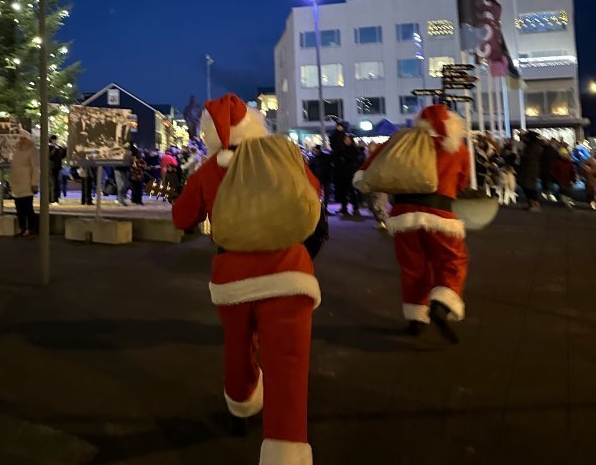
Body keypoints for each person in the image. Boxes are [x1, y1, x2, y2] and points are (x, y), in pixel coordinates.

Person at [172, 94, 321, 464]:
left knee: (237, 345)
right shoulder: (283, 154)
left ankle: (241, 401)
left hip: (233, 276)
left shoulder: (208, 171)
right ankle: (285, 449)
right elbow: (314, 191)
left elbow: (181, 217)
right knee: (288, 360)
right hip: (289, 270)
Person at [358, 104, 470, 343]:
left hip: (403, 214)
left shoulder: (404, 143)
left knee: (413, 267)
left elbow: (372, 163)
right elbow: (462, 182)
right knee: (452, 260)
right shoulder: (457, 148)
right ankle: (441, 304)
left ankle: (416, 319)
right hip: (440, 215)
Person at [9, 130, 40, 237]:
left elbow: (36, 167)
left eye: (24, 138)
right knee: (19, 208)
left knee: (28, 208)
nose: (22, 141)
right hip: (16, 182)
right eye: (21, 138)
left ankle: (32, 229)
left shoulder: (32, 150)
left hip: (26, 183)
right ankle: (22, 228)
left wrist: (34, 183)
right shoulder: (16, 150)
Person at [332, 133, 362, 218]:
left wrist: (344, 157)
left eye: (348, 139)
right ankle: (344, 207)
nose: (346, 141)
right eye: (345, 139)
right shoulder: (341, 148)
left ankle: (355, 208)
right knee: (343, 191)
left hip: (350, 173)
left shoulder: (354, 149)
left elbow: (352, 159)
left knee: (352, 191)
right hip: (342, 173)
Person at [518, 131, 544, 212]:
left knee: (530, 187)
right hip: (529, 169)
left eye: (526, 137)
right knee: (527, 187)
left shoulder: (534, 146)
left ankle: (535, 205)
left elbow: (529, 157)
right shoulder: (532, 145)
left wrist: (521, 154)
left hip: (530, 169)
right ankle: (531, 204)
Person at [48, 135, 66, 205]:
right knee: (52, 183)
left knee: (57, 184)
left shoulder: (58, 147)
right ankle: (52, 199)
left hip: (57, 167)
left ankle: (56, 198)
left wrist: (64, 149)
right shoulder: (49, 147)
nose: (55, 141)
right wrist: (54, 149)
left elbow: (62, 156)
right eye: (54, 140)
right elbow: (50, 156)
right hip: (51, 168)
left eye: (55, 140)